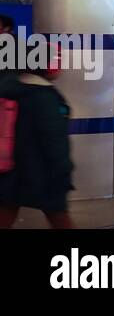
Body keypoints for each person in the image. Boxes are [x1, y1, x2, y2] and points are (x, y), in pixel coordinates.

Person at [0, 57, 74, 229]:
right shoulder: (44, 95)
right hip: (44, 173)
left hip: (11, 169)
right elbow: (54, 138)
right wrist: (64, 169)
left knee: (6, 213)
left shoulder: (11, 89)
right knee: (60, 219)